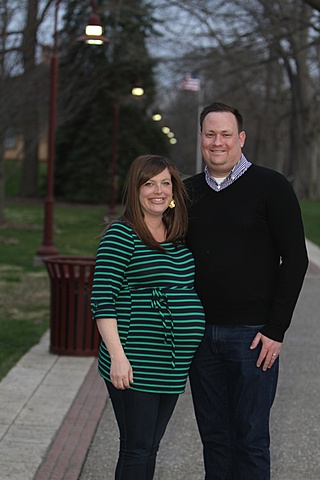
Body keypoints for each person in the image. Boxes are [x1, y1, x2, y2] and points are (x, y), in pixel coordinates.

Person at [184, 102, 309, 480]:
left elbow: (297, 260)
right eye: (210, 134)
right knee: (215, 439)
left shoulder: (271, 187)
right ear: (201, 138)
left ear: (241, 139)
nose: (217, 142)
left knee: (251, 439)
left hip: (253, 337)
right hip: (200, 337)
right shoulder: (187, 193)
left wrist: (276, 330)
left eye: (225, 134)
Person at [91, 154, 205, 480]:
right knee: (136, 448)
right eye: (149, 183)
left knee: (150, 446)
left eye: (165, 183)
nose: (159, 190)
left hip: (171, 364)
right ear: (136, 189)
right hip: (135, 360)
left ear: (174, 190)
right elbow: (102, 300)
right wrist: (117, 357)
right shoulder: (121, 236)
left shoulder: (178, 237)